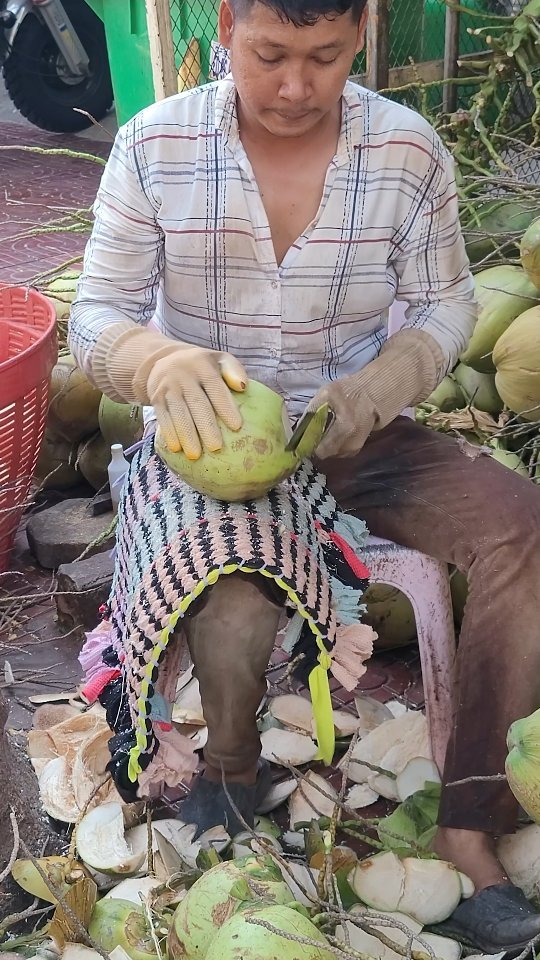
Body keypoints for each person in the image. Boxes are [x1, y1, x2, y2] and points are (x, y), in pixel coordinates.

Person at [69, 0, 540, 949]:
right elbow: (96, 314)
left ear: (361, 30)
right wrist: (155, 363)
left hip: (354, 433)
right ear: (226, 27)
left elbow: (447, 301)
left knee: (522, 532)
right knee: (235, 601)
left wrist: (389, 379)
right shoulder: (155, 145)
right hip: (203, 444)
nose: (295, 86)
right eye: (270, 55)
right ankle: (233, 779)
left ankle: (470, 815)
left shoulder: (406, 152)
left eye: (323, 57)